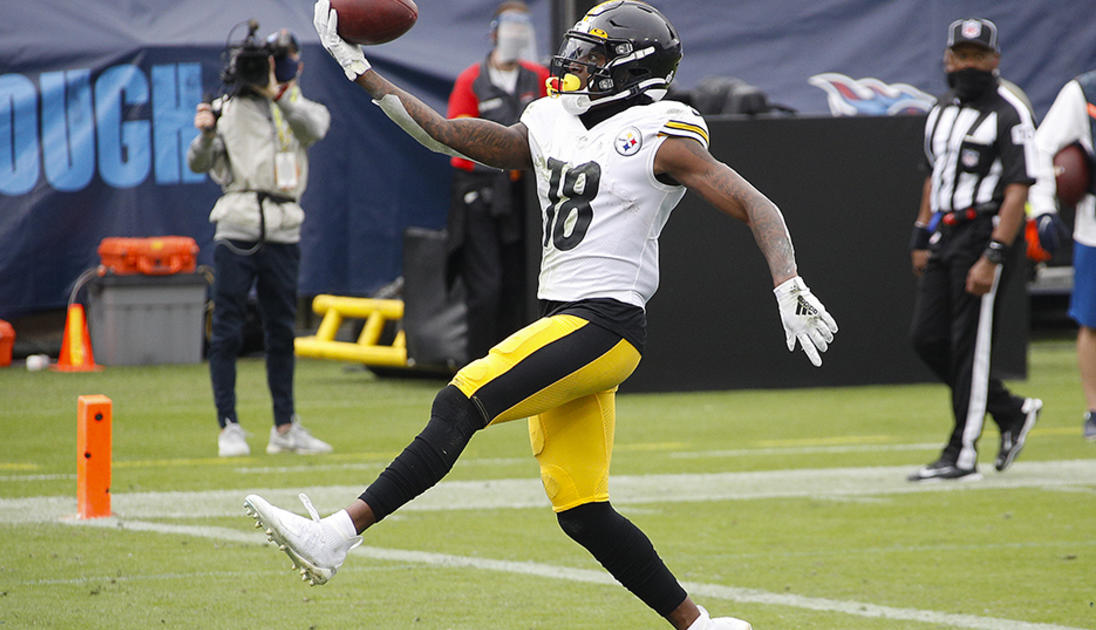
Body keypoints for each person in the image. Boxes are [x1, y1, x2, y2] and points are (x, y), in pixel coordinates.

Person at [245, 2, 838, 628]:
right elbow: (447, 132)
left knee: (460, 399)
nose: (577, 60)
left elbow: (755, 203)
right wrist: (356, 65)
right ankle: (703, 625)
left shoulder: (660, 132)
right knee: (583, 511)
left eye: (596, 52)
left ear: (633, 67)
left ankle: (337, 533)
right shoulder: (552, 120)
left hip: (604, 322)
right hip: (570, 321)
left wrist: (787, 279)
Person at [906, 18, 1043, 482]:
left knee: (970, 347)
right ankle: (1011, 411)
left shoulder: (1010, 112)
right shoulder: (941, 109)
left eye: (976, 57)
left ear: (994, 61)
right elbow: (933, 175)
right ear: (948, 59)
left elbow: (1018, 188)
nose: (966, 65)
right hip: (946, 232)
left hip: (984, 232)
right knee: (927, 339)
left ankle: (962, 454)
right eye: (959, 56)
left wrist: (995, 254)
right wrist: (921, 234)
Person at [188, 28, 333, 457]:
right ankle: (228, 425)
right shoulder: (227, 108)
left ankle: (284, 428)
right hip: (237, 223)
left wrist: (277, 93)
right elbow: (197, 161)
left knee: (282, 329)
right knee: (227, 327)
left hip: (283, 227)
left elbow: (317, 126)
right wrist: (207, 132)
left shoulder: (293, 104)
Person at [445, 1, 549, 361]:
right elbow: (455, 138)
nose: (516, 36)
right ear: (493, 34)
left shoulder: (538, 77)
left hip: (526, 198)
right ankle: (473, 372)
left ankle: (516, 369)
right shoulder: (472, 80)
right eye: (510, 29)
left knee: (520, 286)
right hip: (482, 194)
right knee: (485, 288)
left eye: (524, 30)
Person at [1027, 69, 1096, 441]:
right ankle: (1095, 409)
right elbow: (1042, 146)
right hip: (1095, 226)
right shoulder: (1084, 90)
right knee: (1092, 320)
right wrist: (1043, 208)